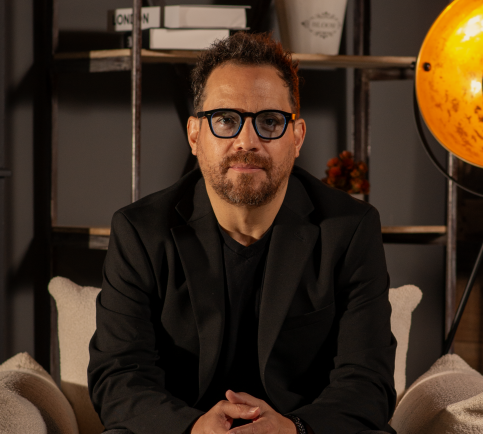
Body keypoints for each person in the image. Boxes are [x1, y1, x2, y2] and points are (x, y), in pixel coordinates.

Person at [88, 32, 397, 434]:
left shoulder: (350, 229)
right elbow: (119, 375)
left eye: (270, 121)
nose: (247, 142)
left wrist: (293, 429)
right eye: (225, 120)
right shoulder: (140, 232)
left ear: (297, 137)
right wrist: (194, 428)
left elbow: (367, 381)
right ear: (195, 136)